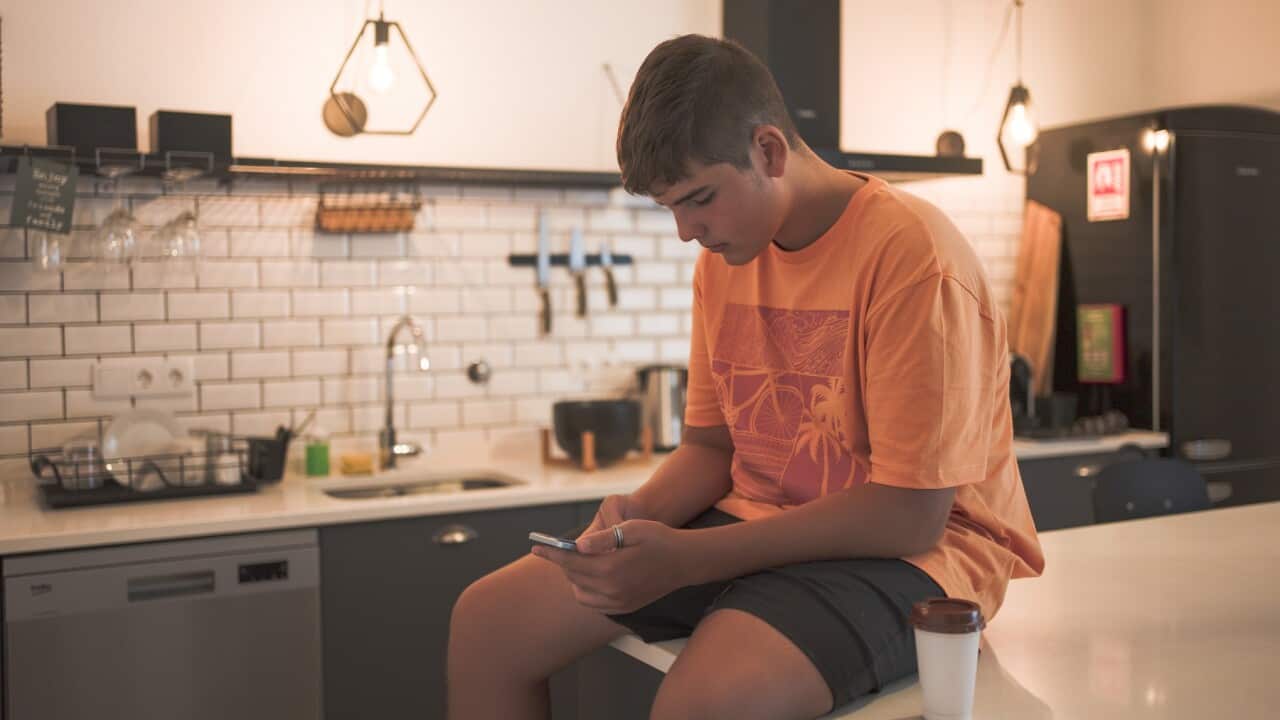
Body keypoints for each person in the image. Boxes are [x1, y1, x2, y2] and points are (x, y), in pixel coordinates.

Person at [447, 34, 1044, 720]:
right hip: (762, 522)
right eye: (670, 207)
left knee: (702, 705)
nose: (684, 232)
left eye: (698, 198)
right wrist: (637, 517)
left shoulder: (913, 255)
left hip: (920, 555)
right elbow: (710, 450)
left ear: (769, 152)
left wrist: (693, 558)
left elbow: (911, 514)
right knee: (486, 624)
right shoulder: (723, 262)